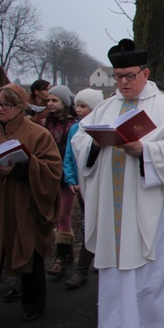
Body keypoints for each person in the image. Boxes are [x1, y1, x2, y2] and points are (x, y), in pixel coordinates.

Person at [71, 39, 164, 328]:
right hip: (113, 202)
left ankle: (158, 324)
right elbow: (80, 141)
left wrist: (145, 151)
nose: (124, 82)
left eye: (130, 75)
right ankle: (118, 326)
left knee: (150, 263)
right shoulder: (106, 106)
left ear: (146, 73)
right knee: (115, 264)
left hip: (149, 201)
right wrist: (94, 144)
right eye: (118, 76)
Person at [0, 83, 61, 328]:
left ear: (21, 108)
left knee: (29, 253)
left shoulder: (37, 134)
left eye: (7, 105)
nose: (0, 109)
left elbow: (52, 170)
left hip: (23, 206)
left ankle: (34, 305)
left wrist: (23, 167)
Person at [63, 88, 105, 290]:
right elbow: (69, 156)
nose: (78, 110)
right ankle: (82, 269)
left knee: (97, 222)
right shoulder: (75, 129)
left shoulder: (102, 125)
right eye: (77, 105)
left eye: (83, 106)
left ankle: (91, 263)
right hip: (80, 182)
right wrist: (71, 179)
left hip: (97, 182)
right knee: (87, 225)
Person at [43, 85, 79, 277]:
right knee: (53, 216)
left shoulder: (73, 125)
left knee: (63, 215)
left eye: (54, 100)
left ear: (65, 103)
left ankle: (61, 258)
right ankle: (68, 251)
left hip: (65, 176)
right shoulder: (44, 124)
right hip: (49, 175)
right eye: (48, 100)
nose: (50, 103)